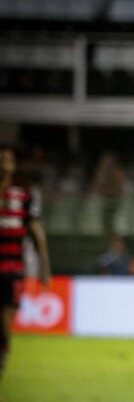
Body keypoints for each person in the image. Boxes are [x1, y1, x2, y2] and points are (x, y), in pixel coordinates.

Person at [0, 145, 51, 384]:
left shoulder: (22, 194)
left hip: (12, 271)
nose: (5, 162)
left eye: (8, 159)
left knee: (4, 331)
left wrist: (45, 267)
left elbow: (36, 231)